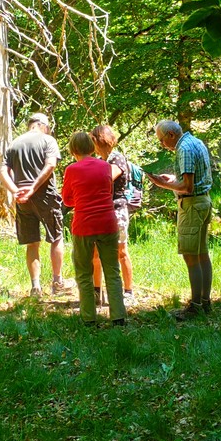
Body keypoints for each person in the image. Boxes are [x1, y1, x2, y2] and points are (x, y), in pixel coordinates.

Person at [0, 113, 70, 297]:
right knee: (56, 237)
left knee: (32, 243)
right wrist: (33, 187)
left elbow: (2, 171)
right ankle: (57, 282)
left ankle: (35, 287)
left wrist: (15, 191)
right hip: (45, 196)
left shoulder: (14, 144)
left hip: (23, 200)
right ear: (43, 125)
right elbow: (51, 165)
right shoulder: (48, 140)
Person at [146, 120, 213, 321]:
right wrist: (173, 179)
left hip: (192, 205)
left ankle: (195, 306)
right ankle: (205, 302)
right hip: (204, 201)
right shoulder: (195, 141)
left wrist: (163, 184)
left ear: (171, 135)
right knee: (202, 254)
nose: (162, 145)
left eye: (161, 140)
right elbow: (191, 179)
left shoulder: (183, 149)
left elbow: (188, 187)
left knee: (191, 256)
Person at [61, 131, 126, 326]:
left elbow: (67, 199)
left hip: (84, 225)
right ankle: (118, 317)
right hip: (108, 222)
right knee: (112, 271)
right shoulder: (106, 166)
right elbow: (109, 191)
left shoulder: (72, 170)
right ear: (91, 147)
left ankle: (89, 318)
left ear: (73, 150)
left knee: (84, 273)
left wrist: (81, 200)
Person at [89, 125, 135, 306]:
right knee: (95, 253)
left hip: (117, 210)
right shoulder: (99, 160)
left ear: (98, 140)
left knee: (121, 251)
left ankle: (128, 292)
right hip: (101, 210)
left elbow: (108, 176)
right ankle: (96, 293)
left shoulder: (117, 158)